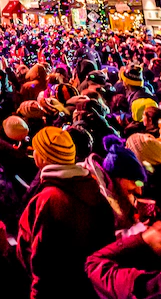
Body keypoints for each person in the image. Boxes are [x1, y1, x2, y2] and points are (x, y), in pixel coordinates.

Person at [17, 127, 115, 299]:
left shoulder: (49, 199)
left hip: (58, 289)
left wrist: (36, 294)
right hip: (87, 286)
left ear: (43, 157)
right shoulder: (91, 188)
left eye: (36, 149)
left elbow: (42, 260)